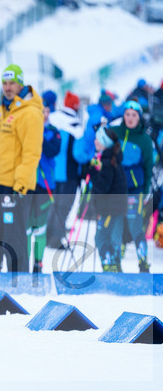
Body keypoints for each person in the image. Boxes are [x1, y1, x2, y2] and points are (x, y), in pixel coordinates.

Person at [0, 64, 44, 272]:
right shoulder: (1, 110)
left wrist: (21, 185)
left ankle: (19, 283)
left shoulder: (30, 113)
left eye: (12, 83)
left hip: (15, 187)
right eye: (5, 83)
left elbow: (31, 153)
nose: (8, 87)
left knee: (13, 237)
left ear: (21, 84)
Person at [113, 100, 155, 272]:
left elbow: (148, 166)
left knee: (135, 225)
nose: (130, 118)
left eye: (134, 115)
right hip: (115, 188)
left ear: (139, 117)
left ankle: (143, 262)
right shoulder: (115, 132)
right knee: (115, 225)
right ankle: (115, 263)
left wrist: (145, 191)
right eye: (127, 114)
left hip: (134, 188)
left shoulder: (144, 139)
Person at [46, 91, 84, 248]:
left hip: (52, 171)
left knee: (52, 204)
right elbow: (79, 154)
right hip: (70, 172)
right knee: (65, 205)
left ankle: (48, 234)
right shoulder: (76, 125)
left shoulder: (52, 119)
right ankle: (56, 237)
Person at [28, 101, 62, 273]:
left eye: (46, 110)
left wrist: (39, 133)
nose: (44, 114)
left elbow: (52, 151)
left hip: (45, 184)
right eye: (41, 110)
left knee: (39, 227)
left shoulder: (53, 132)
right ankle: (22, 264)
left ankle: (38, 263)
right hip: (26, 183)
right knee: (26, 227)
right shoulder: (26, 128)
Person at [89, 127, 127, 271]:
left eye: (98, 139)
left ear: (104, 142)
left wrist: (92, 172)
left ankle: (109, 265)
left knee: (102, 237)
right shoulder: (109, 157)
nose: (95, 141)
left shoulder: (107, 160)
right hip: (113, 205)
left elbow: (103, 185)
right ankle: (114, 266)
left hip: (111, 206)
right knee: (111, 236)